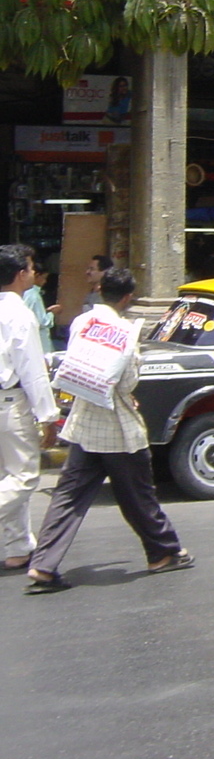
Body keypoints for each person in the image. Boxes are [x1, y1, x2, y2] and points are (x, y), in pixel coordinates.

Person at [25, 269, 193, 594]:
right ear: (128, 298)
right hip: (118, 429)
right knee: (139, 496)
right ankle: (164, 552)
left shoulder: (82, 323)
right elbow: (127, 383)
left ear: (101, 290)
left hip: (83, 425)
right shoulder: (127, 333)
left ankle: (43, 565)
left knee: (67, 497)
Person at [0, 245, 61, 572]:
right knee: (23, 478)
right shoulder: (20, 314)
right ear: (20, 274)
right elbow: (33, 371)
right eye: (30, 267)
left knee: (6, 475)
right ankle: (18, 545)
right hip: (11, 403)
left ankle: (19, 547)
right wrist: (48, 417)